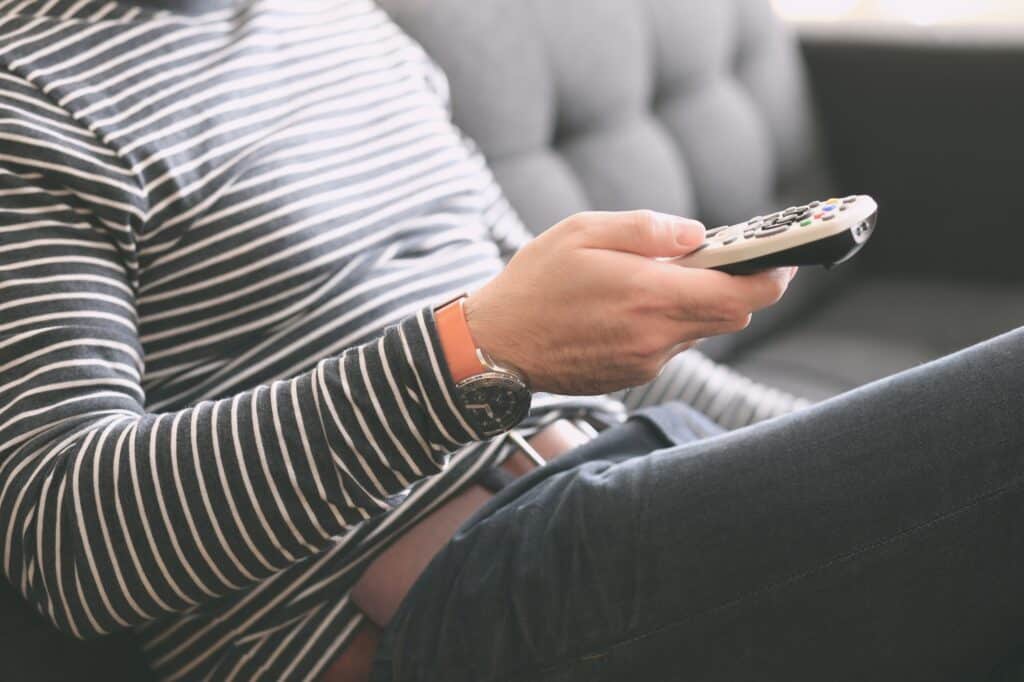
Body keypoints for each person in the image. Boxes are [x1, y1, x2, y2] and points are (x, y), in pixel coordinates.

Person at [0, 2, 1020, 681]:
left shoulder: (338, 20)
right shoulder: (25, 98)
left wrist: (861, 454)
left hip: (632, 476)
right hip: (445, 606)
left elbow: (557, 327)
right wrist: (470, 353)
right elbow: (66, 540)